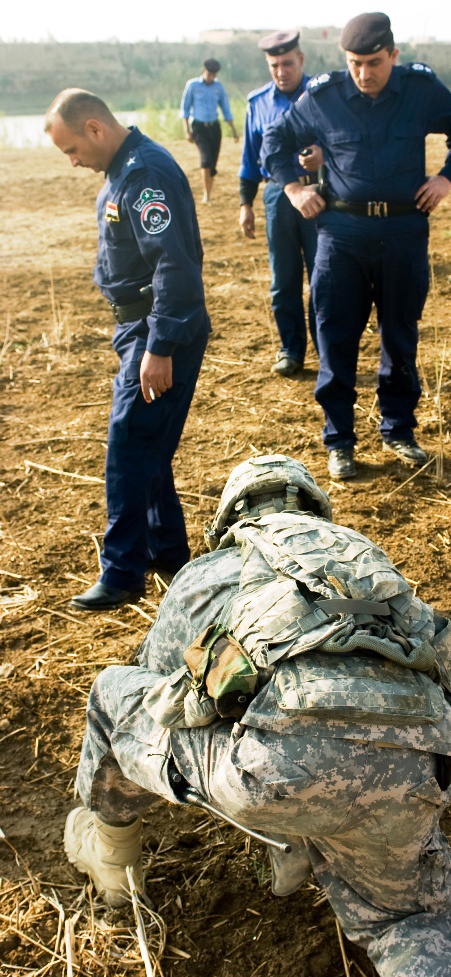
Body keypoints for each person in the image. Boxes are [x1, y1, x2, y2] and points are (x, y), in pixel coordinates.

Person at [63, 453, 451, 977]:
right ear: (320, 512)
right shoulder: (367, 563)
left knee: (114, 694)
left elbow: (157, 697)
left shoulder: (204, 572)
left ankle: (112, 857)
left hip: (276, 771)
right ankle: (305, 847)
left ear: (226, 522)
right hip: (412, 770)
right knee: (407, 924)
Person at [261, 12, 451, 480]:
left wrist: (446, 179)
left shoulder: (420, 90)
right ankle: (339, 441)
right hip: (341, 237)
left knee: (400, 336)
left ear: (393, 56)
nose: (364, 73)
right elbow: (274, 142)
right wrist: (295, 189)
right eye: (355, 63)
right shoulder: (323, 97)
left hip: (403, 233)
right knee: (335, 338)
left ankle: (398, 429)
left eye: (374, 62)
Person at [44, 89, 211, 611]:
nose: (73, 162)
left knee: (128, 444)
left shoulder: (144, 176)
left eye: (72, 149)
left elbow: (173, 268)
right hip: (140, 328)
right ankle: (168, 553)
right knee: (149, 446)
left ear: (95, 128)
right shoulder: (124, 170)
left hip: (158, 329)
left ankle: (122, 573)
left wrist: (158, 346)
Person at [239, 31, 321, 378]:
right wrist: (246, 204)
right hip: (277, 196)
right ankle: (291, 349)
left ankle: (328, 348)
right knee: (283, 278)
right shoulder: (258, 103)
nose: (281, 71)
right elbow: (249, 159)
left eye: (287, 63)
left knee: (325, 275)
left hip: (321, 192)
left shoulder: (324, 94)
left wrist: (324, 155)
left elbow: (348, 140)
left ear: (301, 60)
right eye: (274, 65)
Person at [180, 58, 239, 205]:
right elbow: (185, 109)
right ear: (203, 71)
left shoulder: (219, 87)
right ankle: (207, 194)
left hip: (214, 127)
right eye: (209, 73)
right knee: (205, 160)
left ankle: (209, 189)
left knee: (212, 163)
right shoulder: (192, 86)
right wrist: (186, 130)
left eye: (214, 74)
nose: (211, 77)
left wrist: (234, 130)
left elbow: (225, 109)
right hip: (199, 127)